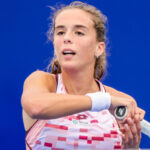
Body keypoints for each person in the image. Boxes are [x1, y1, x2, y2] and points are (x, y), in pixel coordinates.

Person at [21, 1, 145, 149]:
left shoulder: (122, 101)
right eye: (60, 32)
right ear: (55, 45)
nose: (67, 38)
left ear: (99, 49)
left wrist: (131, 148)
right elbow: (36, 107)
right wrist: (105, 101)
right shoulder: (42, 82)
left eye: (79, 32)